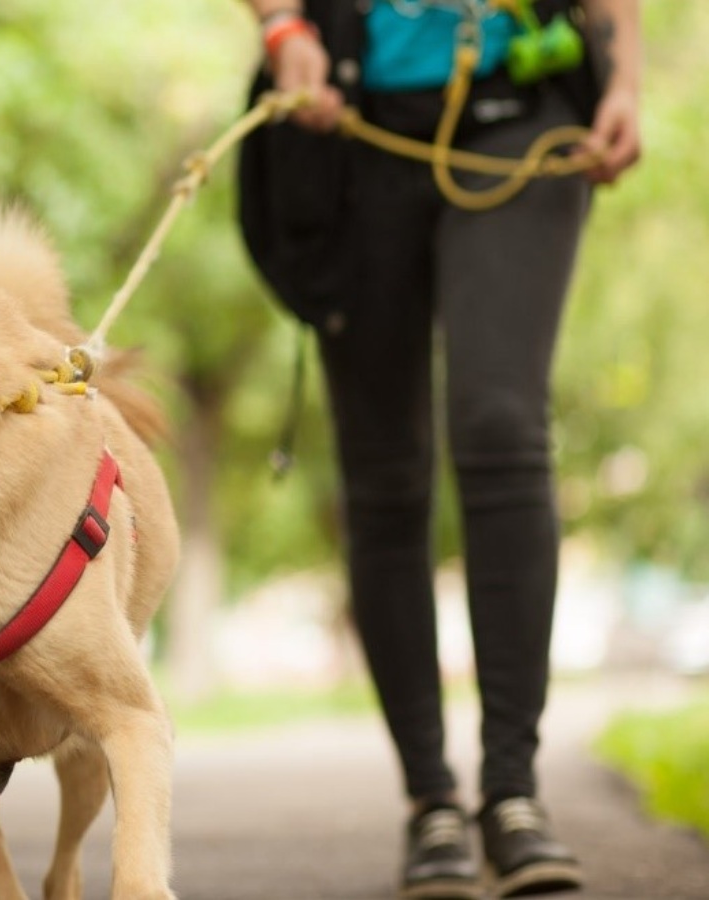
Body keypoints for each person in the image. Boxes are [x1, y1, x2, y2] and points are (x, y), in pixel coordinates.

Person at [234, 0, 641, 897]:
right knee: (383, 470)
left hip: (523, 106)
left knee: (501, 426)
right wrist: (281, 27)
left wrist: (627, 72)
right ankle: (432, 802)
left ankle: (514, 792)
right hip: (349, 123)